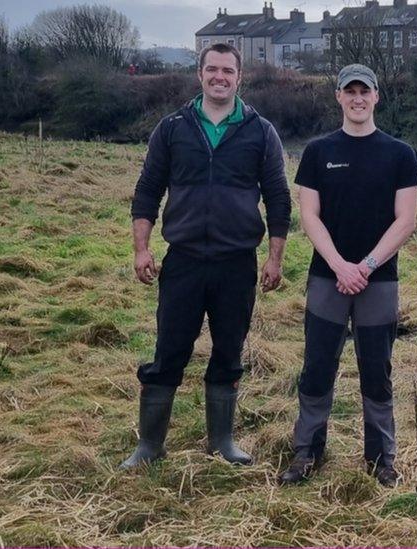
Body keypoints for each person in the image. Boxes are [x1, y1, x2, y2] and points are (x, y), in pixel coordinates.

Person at [122, 43, 290, 469]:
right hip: (184, 261)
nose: (220, 77)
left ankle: (222, 442)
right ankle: (150, 445)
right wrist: (141, 249)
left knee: (229, 351)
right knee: (169, 350)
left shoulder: (260, 130)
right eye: (212, 69)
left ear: (239, 77)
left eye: (228, 71)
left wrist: (275, 258)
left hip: (237, 264)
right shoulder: (173, 127)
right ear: (200, 74)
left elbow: (278, 198)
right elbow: (147, 191)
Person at [278, 64, 417, 487]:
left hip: (379, 281)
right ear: (338, 97)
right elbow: (309, 216)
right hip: (327, 279)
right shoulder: (318, 152)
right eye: (350, 91)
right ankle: (307, 453)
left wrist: (366, 266)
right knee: (317, 365)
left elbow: (406, 220)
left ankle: (382, 459)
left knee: (376, 368)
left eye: (365, 91)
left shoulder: (400, 154)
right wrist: (340, 265)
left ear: (377, 97)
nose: (358, 98)